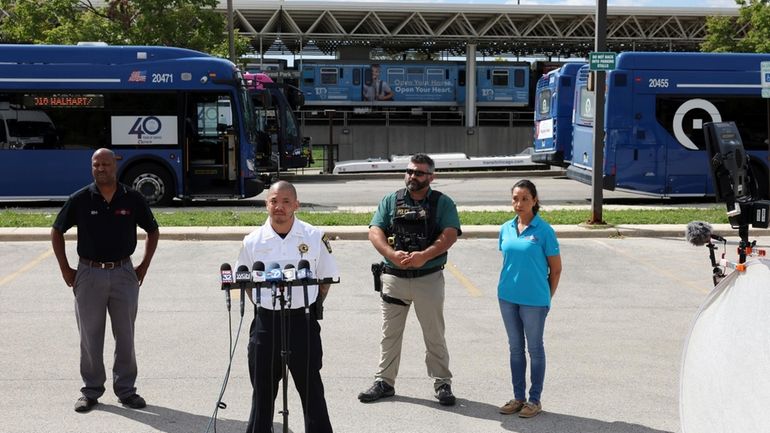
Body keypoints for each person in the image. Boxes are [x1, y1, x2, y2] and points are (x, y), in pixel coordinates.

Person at [51, 148, 159, 413]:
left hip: (124, 273)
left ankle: (126, 391)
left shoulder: (131, 198)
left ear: (115, 166)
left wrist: (143, 266)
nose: (101, 168)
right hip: (88, 274)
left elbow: (153, 230)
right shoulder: (80, 199)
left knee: (125, 335)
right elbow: (56, 231)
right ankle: (90, 391)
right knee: (90, 336)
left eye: (106, 164)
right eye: (96, 164)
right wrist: (66, 269)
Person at [358, 153, 461, 406]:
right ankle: (384, 382)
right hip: (395, 278)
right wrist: (392, 254)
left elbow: (449, 234)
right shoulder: (391, 200)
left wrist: (424, 256)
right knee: (389, 334)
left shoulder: (442, 203)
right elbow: (375, 231)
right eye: (410, 171)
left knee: (434, 334)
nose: (413, 176)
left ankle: (442, 383)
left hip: (428, 278)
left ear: (431, 177)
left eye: (419, 173)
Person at [236, 180, 338, 433]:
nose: (279, 207)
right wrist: (264, 305)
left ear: (296, 205)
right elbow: (246, 282)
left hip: (301, 321)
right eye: (273, 201)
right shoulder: (253, 241)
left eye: (285, 202)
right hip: (266, 322)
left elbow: (325, 279)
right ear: (266, 204)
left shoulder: (314, 237)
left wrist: (311, 305)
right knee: (262, 391)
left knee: (311, 388)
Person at [496, 179, 562, 419]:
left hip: (534, 301)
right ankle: (518, 398)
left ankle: (534, 400)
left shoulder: (544, 231)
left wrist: (546, 297)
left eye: (525, 198)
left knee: (535, 349)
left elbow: (555, 270)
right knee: (515, 349)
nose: (519, 203)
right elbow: (508, 260)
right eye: (515, 198)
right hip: (507, 298)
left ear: (535, 200)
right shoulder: (506, 228)